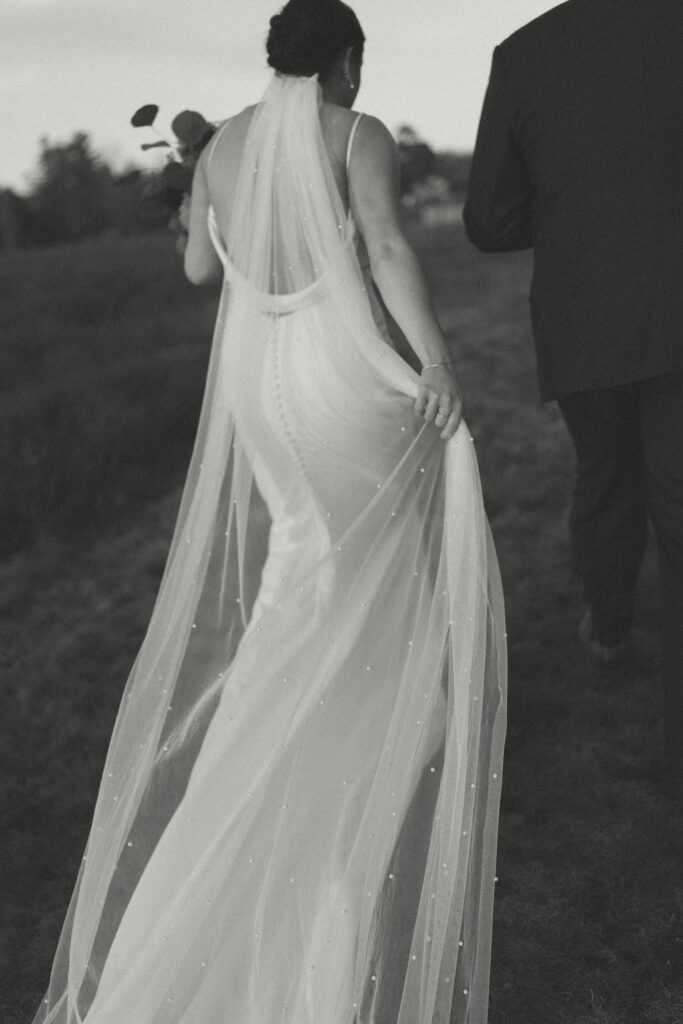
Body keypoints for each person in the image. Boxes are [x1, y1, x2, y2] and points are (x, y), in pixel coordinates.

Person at [34, 2, 506, 1022]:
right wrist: (433, 359)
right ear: (345, 59)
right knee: (380, 549)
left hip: (258, 386)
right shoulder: (355, 133)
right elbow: (383, 248)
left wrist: (187, 196)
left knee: (303, 565)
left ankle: (287, 729)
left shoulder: (224, 148)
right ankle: (365, 729)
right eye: (356, 63)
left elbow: (203, 269)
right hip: (336, 372)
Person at [464, 0, 683, 778]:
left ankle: (609, 630)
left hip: (584, 313)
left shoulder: (524, 53)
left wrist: (572, 213)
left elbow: (487, 220)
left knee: (605, 472)